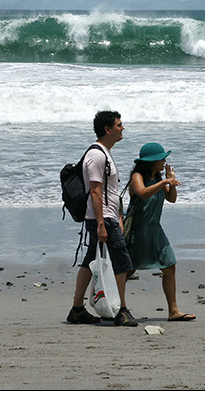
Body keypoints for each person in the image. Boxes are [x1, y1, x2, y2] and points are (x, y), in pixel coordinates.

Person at [66, 110, 138, 327]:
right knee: (122, 262)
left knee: (90, 261)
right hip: (101, 218)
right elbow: (96, 192)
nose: (122, 128)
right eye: (119, 125)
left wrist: (118, 216)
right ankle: (120, 310)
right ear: (107, 129)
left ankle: (77, 309)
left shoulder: (103, 153)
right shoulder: (97, 155)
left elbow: (108, 191)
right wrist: (101, 223)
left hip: (106, 217)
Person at [125, 142, 196, 322]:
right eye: (162, 159)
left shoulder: (158, 178)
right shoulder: (137, 176)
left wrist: (171, 183)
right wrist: (164, 181)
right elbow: (141, 193)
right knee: (127, 271)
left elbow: (171, 199)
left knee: (169, 265)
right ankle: (116, 307)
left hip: (155, 230)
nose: (165, 162)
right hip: (138, 232)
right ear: (152, 161)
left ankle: (173, 311)